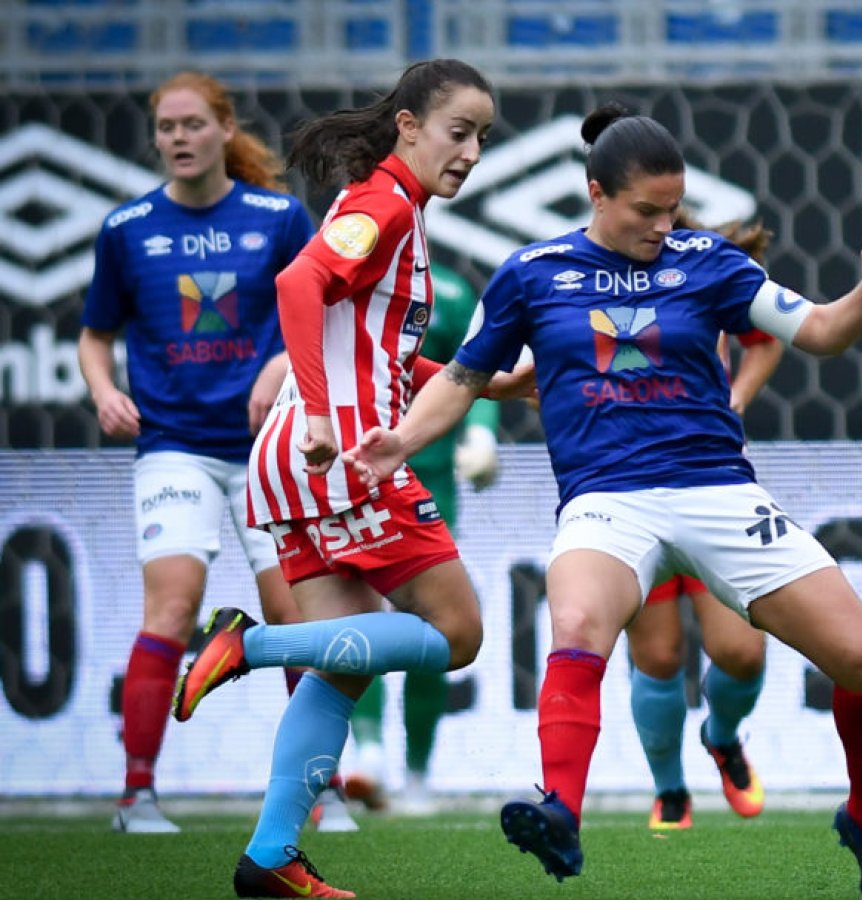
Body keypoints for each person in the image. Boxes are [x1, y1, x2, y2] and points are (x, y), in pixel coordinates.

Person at [345, 104, 862, 900]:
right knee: (578, 625)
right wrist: (401, 443)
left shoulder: (711, 263)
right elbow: (462, 379)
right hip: (606, 499)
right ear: (595, 194)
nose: (662, 225)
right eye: (645, 210)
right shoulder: (532, 273)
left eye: (672, 209)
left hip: (718, 490)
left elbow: (820, 332)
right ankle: (561, 812)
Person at [167, 59, 530, 899]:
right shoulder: (386, 202)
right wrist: (328, 416)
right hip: (347, 456)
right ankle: (249, 645)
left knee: (341, 668)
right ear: (407, 126)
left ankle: (269, 858)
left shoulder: (391, 206)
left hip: (296, 461)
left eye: (483, 137)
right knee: (460, 635)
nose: (472, 151)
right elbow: (299, 284)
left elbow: (374, 348)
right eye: (458, 130)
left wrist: (487, 380)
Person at [76, 70, 360, 834]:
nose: (178, 138)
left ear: (225, 128)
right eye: (166, 127)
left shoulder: (277, 216)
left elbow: (322, 309)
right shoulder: (126, 229)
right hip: (174, 448)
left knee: (296, 615)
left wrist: (277, 367)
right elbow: (94, 334)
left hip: (269, 449)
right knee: (170, 609)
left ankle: (319, 789)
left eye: (193, 124)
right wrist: (103, 389)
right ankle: (136, 795)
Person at [627, 215, 784, 831]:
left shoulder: (703, 269)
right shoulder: (586, 278)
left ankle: (723, 738)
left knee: (741, 650)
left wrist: (736, 399)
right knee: (660, 657)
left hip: (709, 481)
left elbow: (766, 340)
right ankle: (670, 791)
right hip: (629, 487)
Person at [341, 261, 503, 817]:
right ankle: (368, 755)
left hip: (425, 474)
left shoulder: (450, 292)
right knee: (358, 613)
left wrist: (482, 434)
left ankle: (415, 775)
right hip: (349, 466)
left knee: (429, 622)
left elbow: (472, 371)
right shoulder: (338, 272)